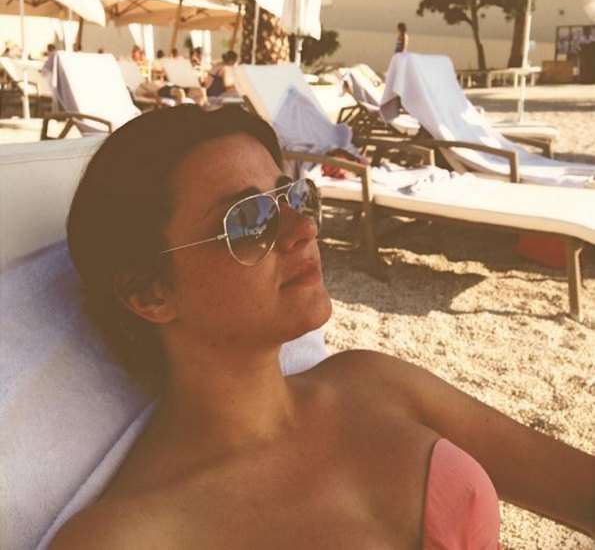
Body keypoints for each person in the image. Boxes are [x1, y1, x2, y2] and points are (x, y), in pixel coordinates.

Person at [50, 105, 593, 548]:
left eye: (294, 196)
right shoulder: (129, 535)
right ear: (148, 294)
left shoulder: (375, 382)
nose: (305, 228)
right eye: (249, 220)